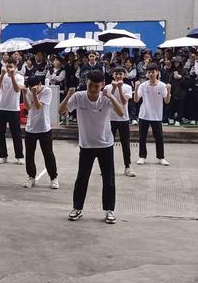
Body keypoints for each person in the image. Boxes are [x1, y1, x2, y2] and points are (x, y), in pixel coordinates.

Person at [59, 70, 124, 224]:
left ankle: (109, 211)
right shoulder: (79, 97)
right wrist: (68, 95)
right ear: (86, 83)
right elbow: (61, 111)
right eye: (90, 85)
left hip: (105, 144)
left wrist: (112, 96)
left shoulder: (106, 99)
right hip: (86, 145)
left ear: (102, 86)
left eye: (96, 86)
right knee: (82, 178)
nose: (93, 89)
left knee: (109, 179)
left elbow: (121, 113)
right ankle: (77, 208)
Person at [21, 76, 59, 190]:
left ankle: (54, 177)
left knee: (48, 154)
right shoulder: (29, 91)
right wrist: (24, 94)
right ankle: (31, 176)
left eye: (35, 88)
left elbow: (38, 107)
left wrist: (33, 93)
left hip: (44, 128)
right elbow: (28, 107)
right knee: (29, 154)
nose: (33, 90)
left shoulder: (47, 91)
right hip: (31, 128)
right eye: (30, 88)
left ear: (40, 84)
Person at [134, 63, 171, 166]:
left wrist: (168, 90)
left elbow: (167, 101)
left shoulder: (162, 85)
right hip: (144, 115)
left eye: (153, 72)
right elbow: (136, 100)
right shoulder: (143, 85)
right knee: (142, 137)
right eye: (149, 72)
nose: (151, 74)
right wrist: (136, 88)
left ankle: (161, 157)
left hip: (156, 115)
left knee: (159, 137)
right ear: (147, 73)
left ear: (157, 73)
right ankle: (142, 157)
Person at [104, 67, 136, 177]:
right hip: (110, 119)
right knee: (108, 144)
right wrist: (113, 88)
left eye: (120, 74)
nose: (118, 76)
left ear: (124, 75)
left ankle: (127, 167)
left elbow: (123, 101)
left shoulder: (127, 87)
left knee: (125, 144)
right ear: (113, 75)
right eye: (116, 74)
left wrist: (120, 88)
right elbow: (107, 101)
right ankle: (107, 168)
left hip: (123, 119)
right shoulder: (107, 86)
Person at [0, 57, 25, 165]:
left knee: (16, 134)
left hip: (13, 109)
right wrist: (2, 75)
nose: (9, 69)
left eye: (11, 67)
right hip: (1, 108)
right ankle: (3, 155)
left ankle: (19, 156)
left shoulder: (20, 77)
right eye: (7, 66)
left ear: (15, 67)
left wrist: (12, 77)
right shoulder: (1, 76)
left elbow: (17, 89)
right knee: (0, 134)